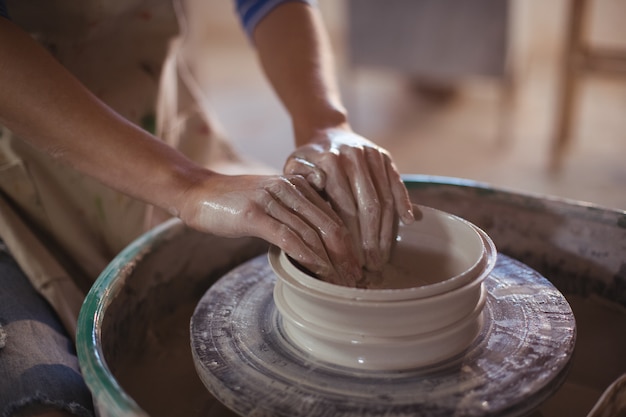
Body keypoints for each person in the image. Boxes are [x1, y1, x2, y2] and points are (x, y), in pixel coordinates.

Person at [0, 0, 414, 415]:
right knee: (40, 401)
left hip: (153, 123)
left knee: (294, 229)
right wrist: (189, 186)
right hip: (13, 183)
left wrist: (325, 122)